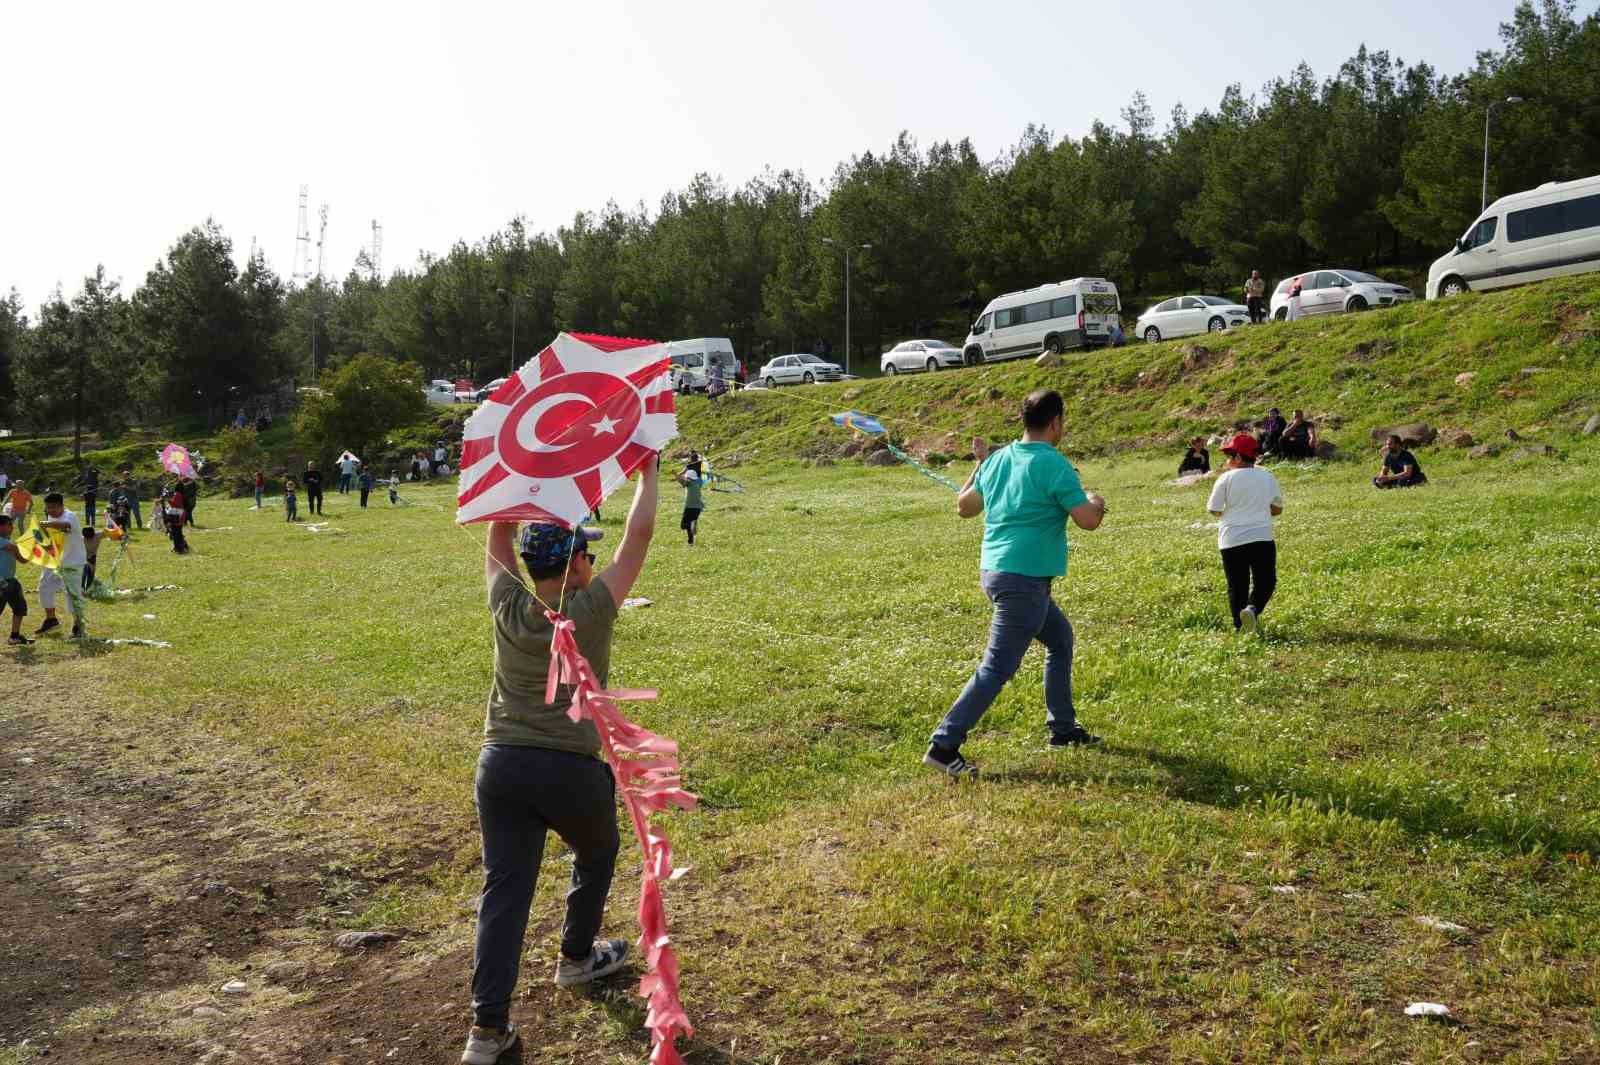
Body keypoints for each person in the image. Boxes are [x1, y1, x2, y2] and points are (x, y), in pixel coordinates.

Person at [462, 461, 660, 1065]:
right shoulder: (591, 608)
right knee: (597, 852)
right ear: (575, 563)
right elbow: (641, 538)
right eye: (587, 556)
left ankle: (487, 1032)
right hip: (569, 770)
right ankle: (576, 958)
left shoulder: (506, 603)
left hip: (499, 767)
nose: (594, 564)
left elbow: (497, 538)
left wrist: (509, 487)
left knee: (506, 887)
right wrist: (649, 475)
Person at [926, 389, 1107, 779]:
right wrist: (1097, 499)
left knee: (1060, 640)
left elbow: (964, 507)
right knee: (997, 667)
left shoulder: (997, 460)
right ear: (1056, 422)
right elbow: (1088, 520)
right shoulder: (1054, 464)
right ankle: (944, 744)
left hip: (997, 573)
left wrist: (980, 465)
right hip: (1023, 581)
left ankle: (1063, 730)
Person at [1206, 434, 1284, 634]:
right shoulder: (1267, 475)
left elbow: (1214, 509)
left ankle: (1240, 628)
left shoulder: (1225, 478)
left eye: (1229, 455)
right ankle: (1252, 608)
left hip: (1231, 540)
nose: (1227, 460)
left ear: (1239, 457)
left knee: (1237, 585)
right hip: (1261, 538)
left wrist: (1230, 514)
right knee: (1266, 581)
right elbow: (1277, 509)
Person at [37, 492, 88, 639]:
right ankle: (51, 619)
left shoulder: (69, 516)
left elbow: (65, 526)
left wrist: (47, 524)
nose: (50, 511)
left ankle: (78, 625)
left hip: (73, 562)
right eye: (48, 508)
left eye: (53, 507)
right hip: (55, 561)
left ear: (61, 505)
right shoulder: (51, 516)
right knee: (44, 587)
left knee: (72, 595)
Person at [0, 514, 33, 644]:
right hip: (1, 582)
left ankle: (14, 636)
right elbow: (15, 549)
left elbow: (23, 560)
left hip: (11, 581)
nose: (12, 528)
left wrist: (34, 553)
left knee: (20, 608)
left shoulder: (8, 541)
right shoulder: (4, 542)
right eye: (9, 525)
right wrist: (33, 543)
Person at [678, 468, 704, 545]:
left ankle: (692, 525)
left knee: (683, 525)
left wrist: (681, 472)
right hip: (698, 508)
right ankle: (690, 541)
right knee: (690, 524)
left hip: (689, 507)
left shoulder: (688, 483)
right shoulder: (698, 483)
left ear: (688, 477)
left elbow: (680, 479)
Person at [81, 527, 101, 592]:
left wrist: (121, 536)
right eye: (87, 539)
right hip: (82, 558)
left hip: (92, 556)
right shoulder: (80, 540)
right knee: (85, 571)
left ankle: (90, 585)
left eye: (91, 538)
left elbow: (110, 532)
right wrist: (89, 564)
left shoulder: (98, 535)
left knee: (92, 573)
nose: (89, 540)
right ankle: (82, 588)